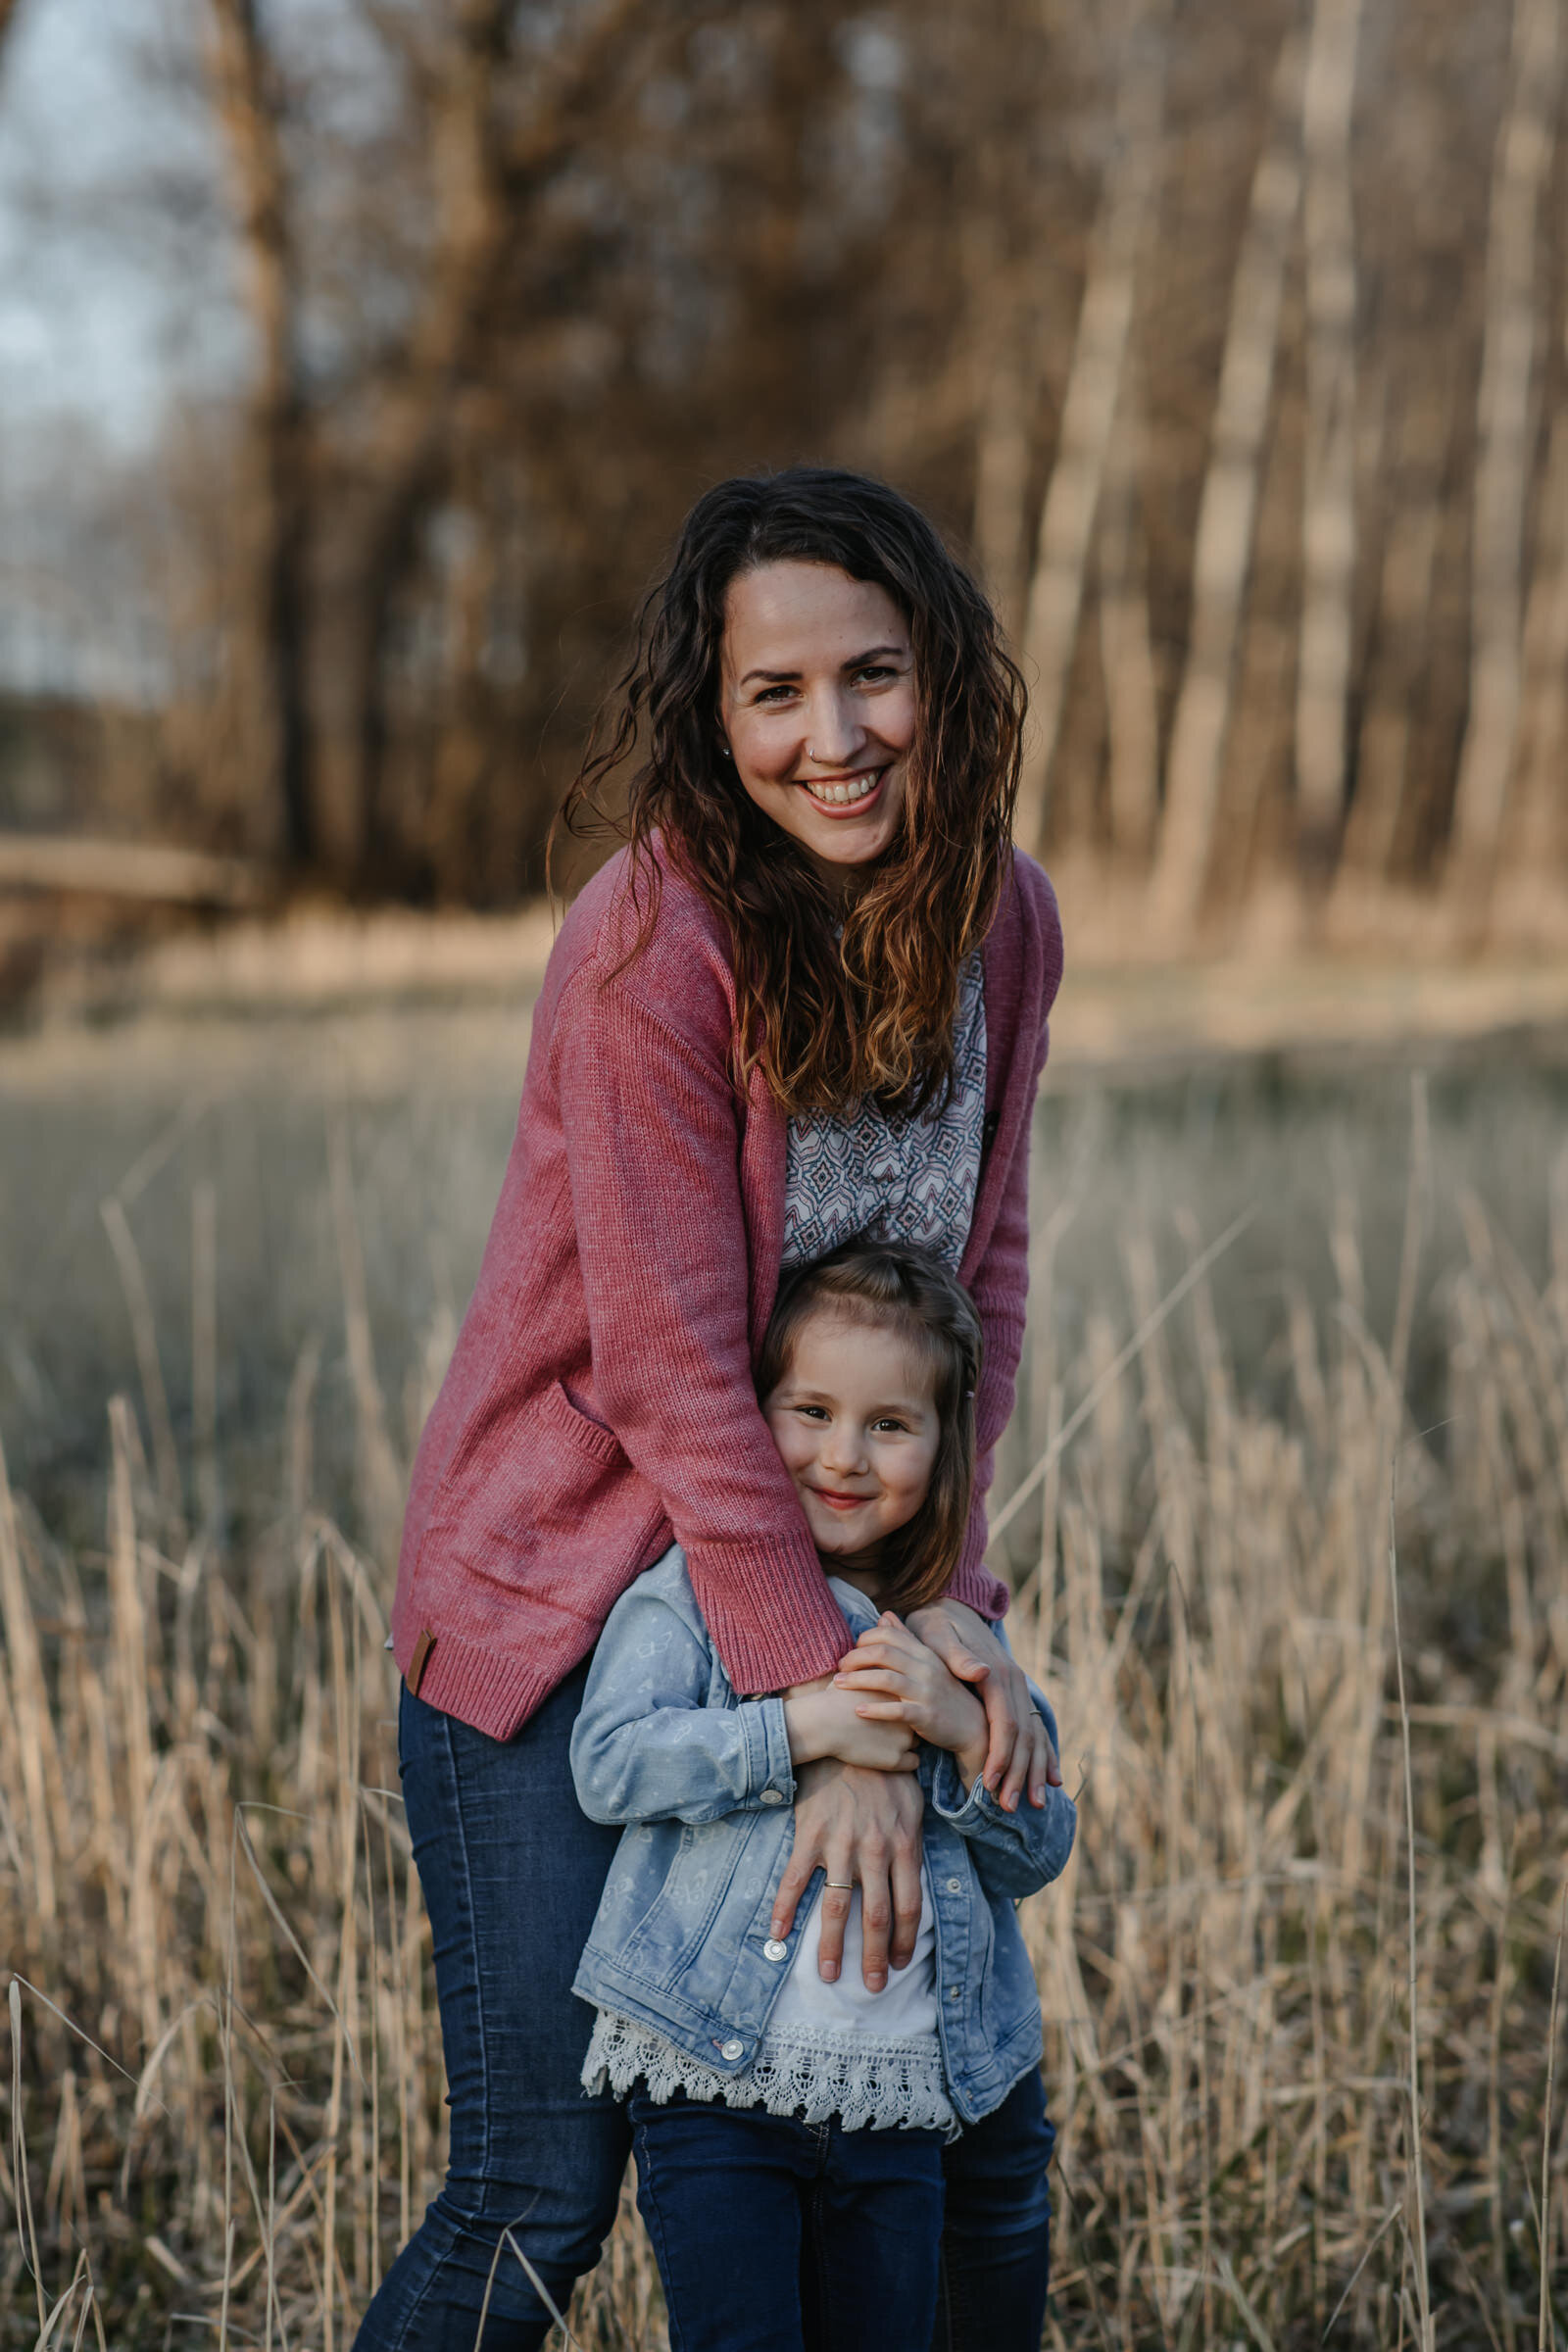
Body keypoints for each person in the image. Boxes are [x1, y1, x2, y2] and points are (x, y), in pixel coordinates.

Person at [355, 466, 1065, 2352]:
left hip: (816, 1596)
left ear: (947, 682)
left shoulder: (1005, 925)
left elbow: (975, 1291)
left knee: (972, 2124)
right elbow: (674, 1367)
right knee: (543, 2188)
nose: (833, 738)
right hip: (563, 1611)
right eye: (775, 693)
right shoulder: (648, 947)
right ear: (711, 709)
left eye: (876, 675)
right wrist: (824, 1716)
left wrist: (935, 1615)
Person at [571, 1243, 1075, 2352]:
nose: (842, 1457)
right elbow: (608, 1763)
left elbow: (1041, 1848)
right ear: (754, 1418)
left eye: (889, 1425)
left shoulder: (958, 1644)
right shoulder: (692, 1602)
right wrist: (800, 1733)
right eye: (809, 1411)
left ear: (945, 1450)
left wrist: (954, 1733)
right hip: (712, 2081)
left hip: (895, 2103)